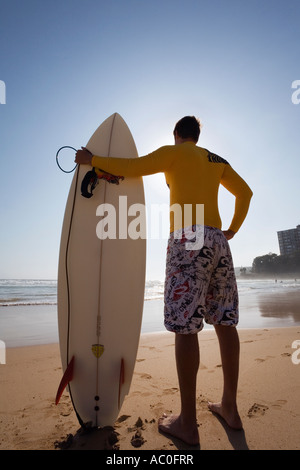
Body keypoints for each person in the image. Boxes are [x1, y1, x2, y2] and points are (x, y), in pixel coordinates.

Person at [75, 116, 253, 446]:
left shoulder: (174, 153)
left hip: (187, 239)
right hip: (218, 242)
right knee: (225, 323)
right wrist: (231, 230)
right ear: (198, 136)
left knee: (186, 327)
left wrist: (92, 160)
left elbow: (134, 166)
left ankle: (187, 423)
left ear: (176, 135)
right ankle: (230, 407)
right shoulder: (216, 159)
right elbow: (246, 193)